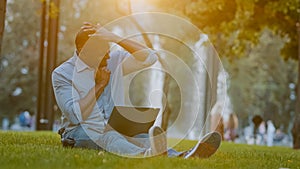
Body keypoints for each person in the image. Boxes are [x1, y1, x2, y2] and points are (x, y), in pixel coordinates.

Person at [52, 22, 221, 158]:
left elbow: (150, 57)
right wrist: (99, 86)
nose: (108, 56)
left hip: (113, 127)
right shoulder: (62, 74)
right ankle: (146, 156)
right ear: (82, 51)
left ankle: (182, 156)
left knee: (144, 138)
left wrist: (115, 38)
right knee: (107, 135)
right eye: (102, 53)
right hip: (78, 133)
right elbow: (74, 114)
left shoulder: (113, 60)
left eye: (108, 49)